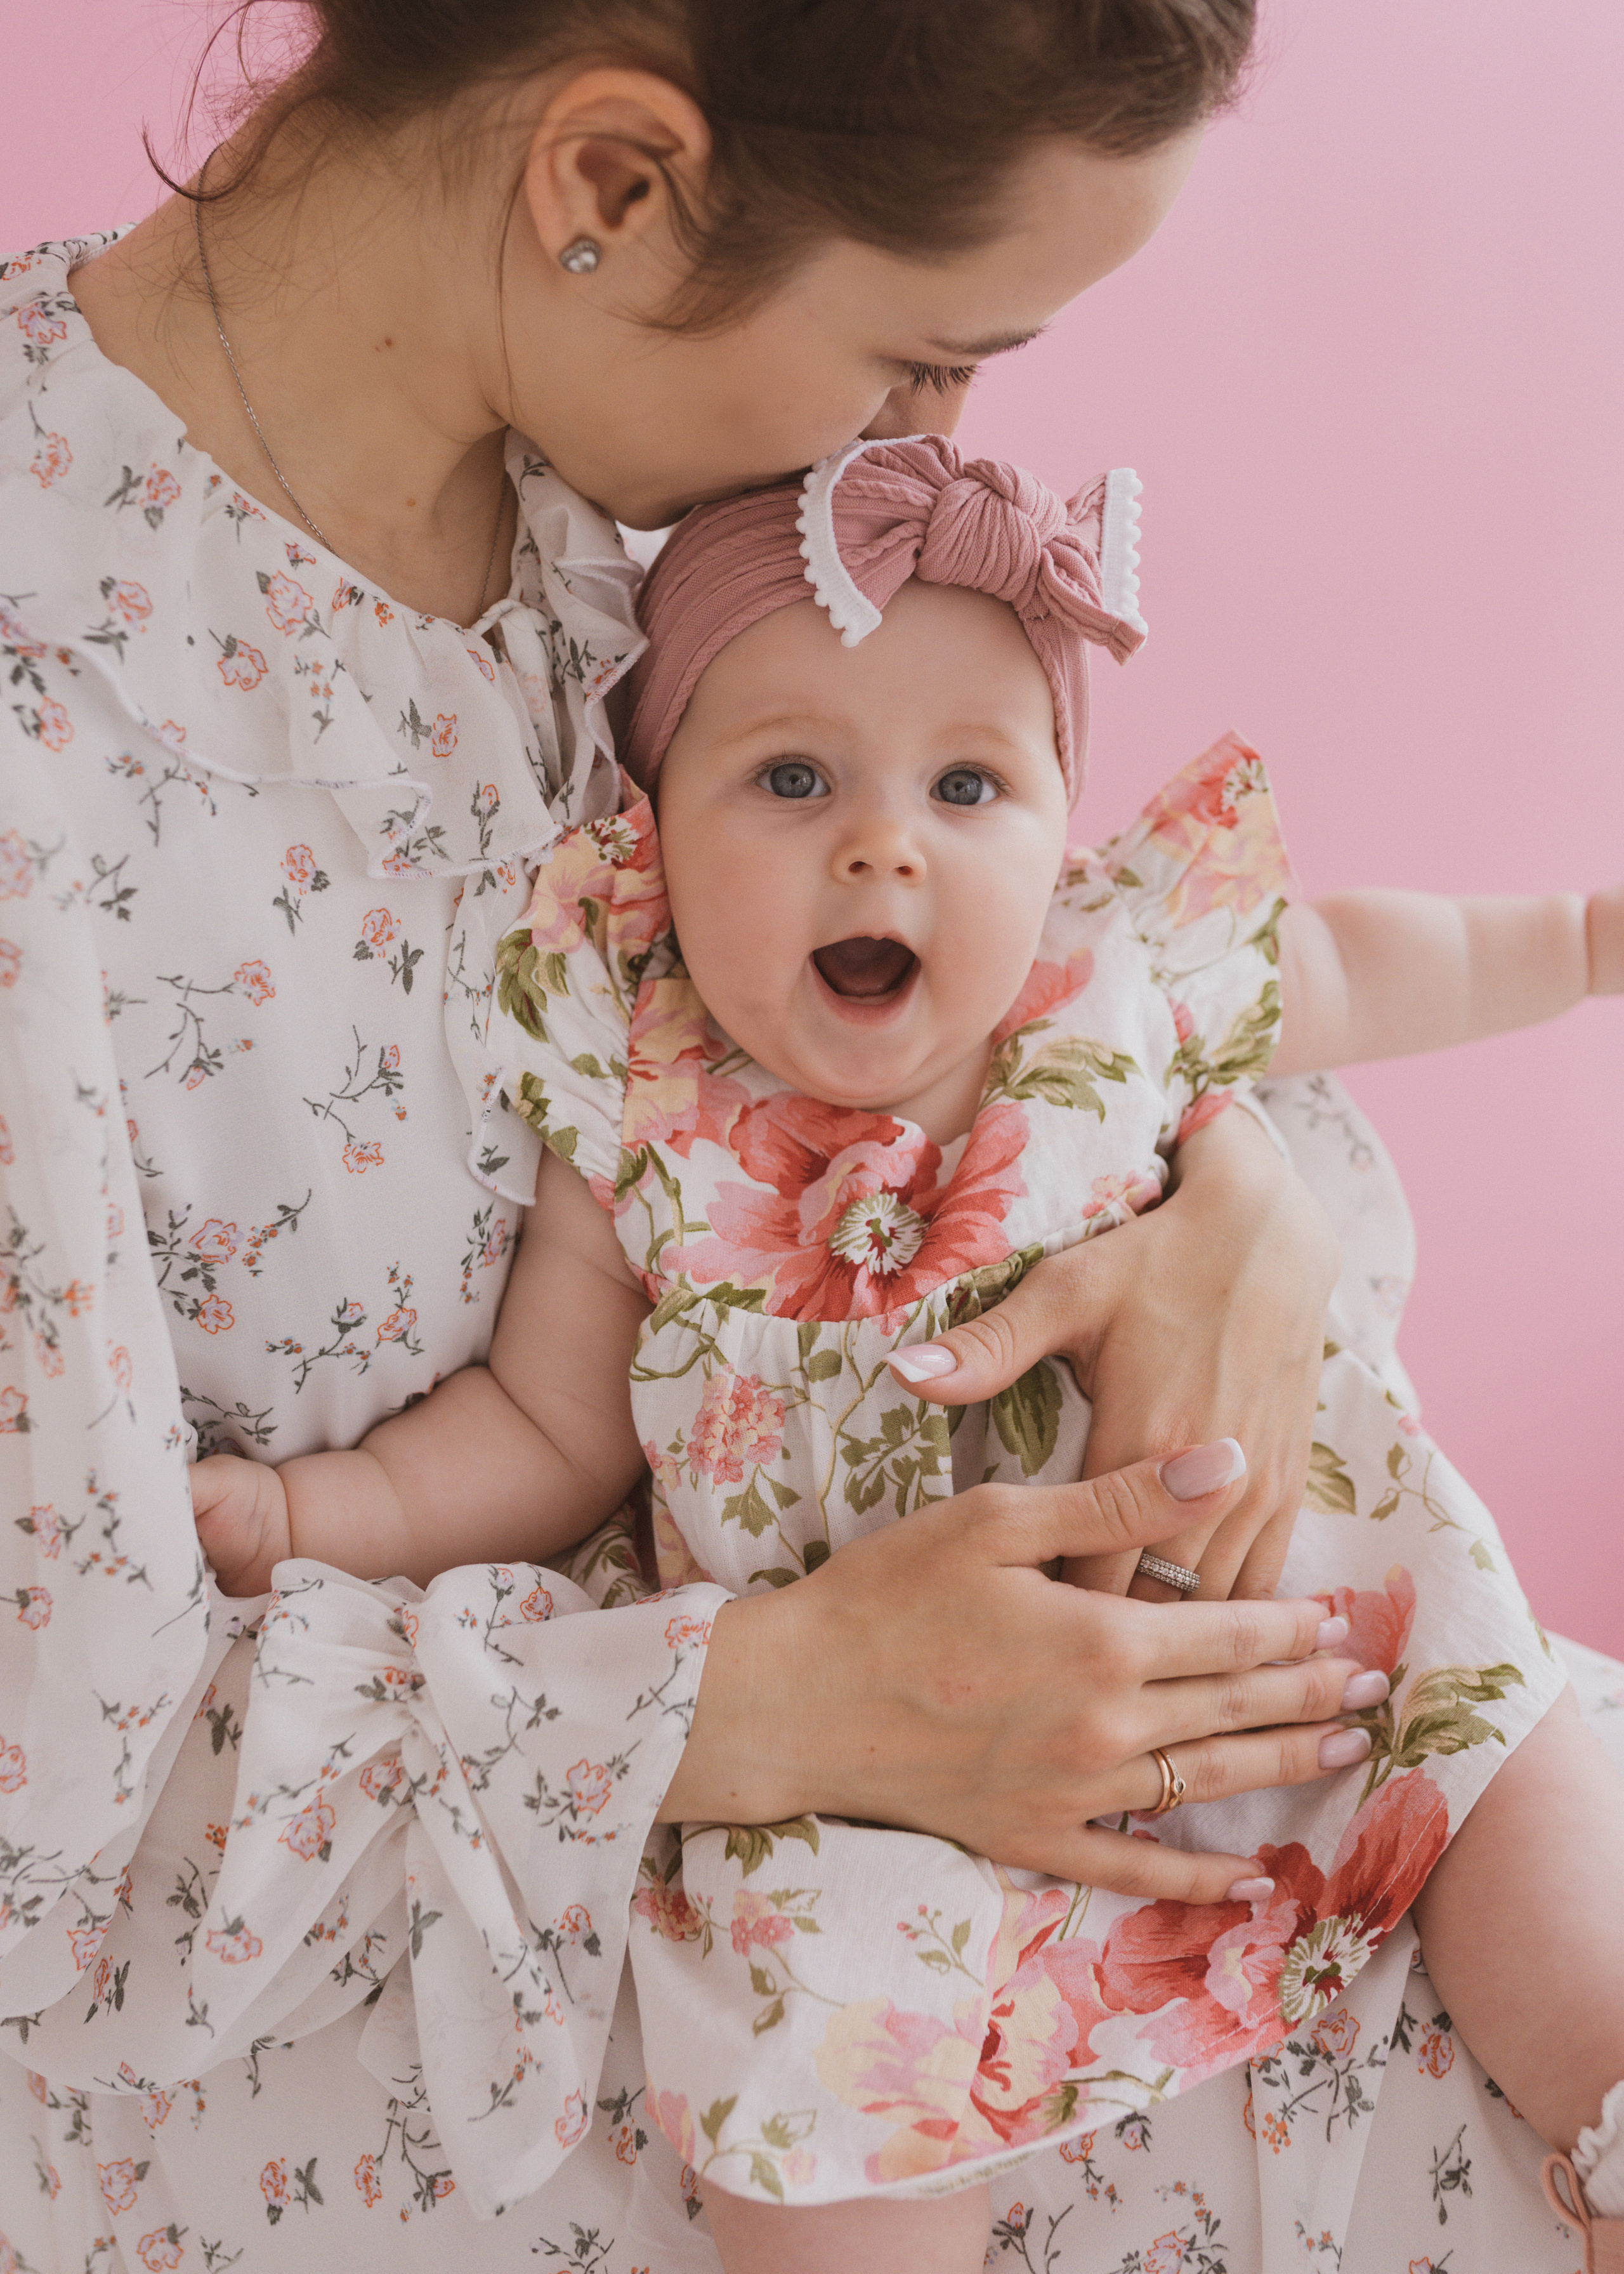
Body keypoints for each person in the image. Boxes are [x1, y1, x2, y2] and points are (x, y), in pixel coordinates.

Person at [0, 3, 1617, 2267]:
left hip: (1187, 1800)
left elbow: (1102, 985)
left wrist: (1222, 1205)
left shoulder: (628, 519)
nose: (932, 455)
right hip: (519, 2080)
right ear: (613, 190)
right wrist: (766, 1704)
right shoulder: (56, 726)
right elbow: (60, 1820)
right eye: (921, 361)